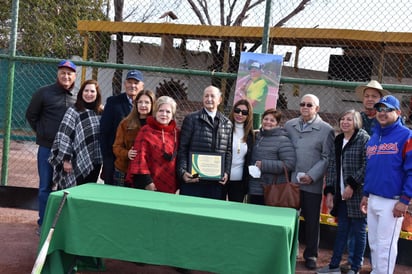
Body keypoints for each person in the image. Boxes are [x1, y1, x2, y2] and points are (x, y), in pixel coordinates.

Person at [340, 79, 389, 272]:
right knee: (356, 221)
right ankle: (355, 261)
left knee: (375, 227)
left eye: (374, 96)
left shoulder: (386, 118)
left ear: (380, 99)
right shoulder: (357, 117)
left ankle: (377, 265)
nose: (370, 99)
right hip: (359, 176)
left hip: (378, 176)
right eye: (367, 96)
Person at [360, 95, 412, 274]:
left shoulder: (406, 135)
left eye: (387, 109)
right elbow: (372, 168)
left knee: (385, 246)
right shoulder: (375, 136)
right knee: (374, 244)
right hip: (373, 197)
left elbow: (411, 171)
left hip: (393, 201)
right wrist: (366, 195)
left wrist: (405, 200)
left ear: (398, 112)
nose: (382, 113)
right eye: (379, 109)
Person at [25, 59, 77, 233]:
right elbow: (31, 115)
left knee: (65, 188)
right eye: (63, 72)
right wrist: (43, 133)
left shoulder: (76, 97)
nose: (66, 76)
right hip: (47, 148)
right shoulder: (44, 93)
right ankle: (43, 223)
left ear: (74, 76)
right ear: (58, 74)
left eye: (69, 73)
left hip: (67, 152)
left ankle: (59, 225)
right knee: (45, 186)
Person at [284, 94, 335, 270]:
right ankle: (289, 250)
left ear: (317, 109)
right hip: (291, 183)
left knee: (312, 221)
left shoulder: (326, 129)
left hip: (312, 184)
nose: (305, 107)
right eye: (302, 104)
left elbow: (327, 158)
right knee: (289, 218)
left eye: (309, 105)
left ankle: (311, 254)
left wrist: (312, 175)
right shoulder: (289, 125)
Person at [316, 110, 369, 274]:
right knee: (342, 230)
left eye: (350, 119)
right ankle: (334, 266)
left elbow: (367, 165)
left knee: (359, 230)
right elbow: (332, 167)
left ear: (357, 122)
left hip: (358, 195)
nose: (345, 122)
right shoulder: (338, 140)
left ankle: (355, 267)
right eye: (343, 119)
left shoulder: (364, 139)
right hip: (341, 194)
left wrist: (352, 185)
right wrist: (330, 191)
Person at [176, 85, 233, 200]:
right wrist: (182, 172)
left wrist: (226, 172)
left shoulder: (227, 123)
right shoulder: (191, 119)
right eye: (206, 96)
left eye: (213, 96)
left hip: (216, 181)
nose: (209, 99)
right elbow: (183, 148)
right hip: (194, 179)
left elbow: (228, 152)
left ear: (220, 100)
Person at [48, 79, 103, 189]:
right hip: (74, 162)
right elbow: (64, 137)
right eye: (86, 91)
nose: (89, 94)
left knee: (87, 191)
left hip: (94, 161)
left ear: (97, 94)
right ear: (81, 92)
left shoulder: (100, 112)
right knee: (69, 192)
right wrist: (66, 160)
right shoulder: (73, 111)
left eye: (92, 91)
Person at [126, 96, 180, 193]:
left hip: (171, 183)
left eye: (168, 112)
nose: (164, 114)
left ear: (173, 114)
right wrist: (147, 182)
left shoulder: (177, 133)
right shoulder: (146, 131)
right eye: (161, 111)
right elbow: (139, 159)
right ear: (155, 113)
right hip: (147, 185)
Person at [100, 70, 144, 185]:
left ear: (142, 86)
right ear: (125, 84)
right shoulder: (113, 102)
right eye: (129, 82)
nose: (132, 86)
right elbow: (104, 131)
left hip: (139, 161)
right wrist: (107, 158)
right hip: (115, 158)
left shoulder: (146, 105)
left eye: (136, 82)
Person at [248, 108, 296, 205]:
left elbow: (289, 164)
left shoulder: (283, 140)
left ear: (277, 123)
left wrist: (265, 165)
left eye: (272, 120)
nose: (268, 122)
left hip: (273, 189)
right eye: (266, 119)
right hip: (255, 187)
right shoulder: (257, 136)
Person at [112, 90, 155, 186]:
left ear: (153, 104)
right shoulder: (125, 123)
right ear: (136, 104)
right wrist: (127, 153)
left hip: (146, 173)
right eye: (140, 102)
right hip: (124, 170)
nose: (143, 105)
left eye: (147, 102)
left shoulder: (155, 125)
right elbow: (116, 146)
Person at [222, 99, 255, 202]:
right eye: (237, 110)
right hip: (221, 178)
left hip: (239, 182)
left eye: (244, 112)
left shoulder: (251, 135)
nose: (240, 114)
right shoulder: (224, 128)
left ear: (248, 115)